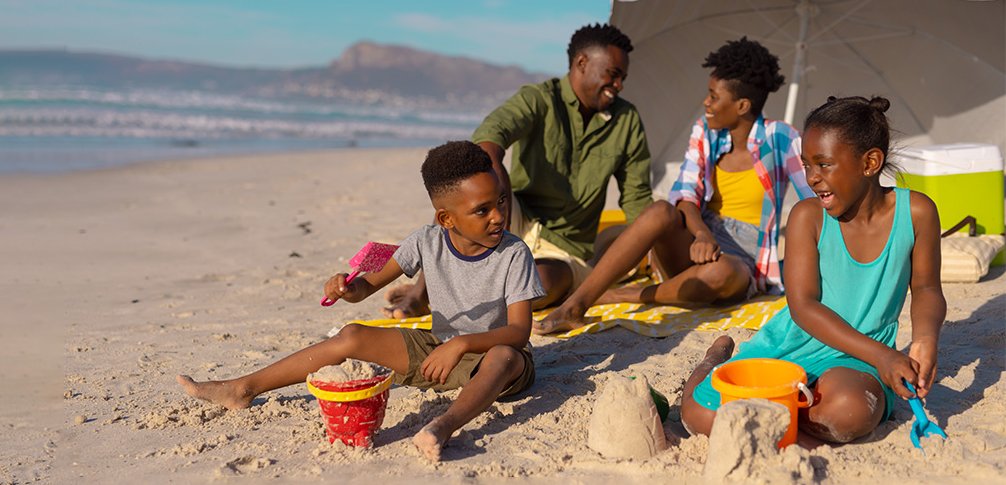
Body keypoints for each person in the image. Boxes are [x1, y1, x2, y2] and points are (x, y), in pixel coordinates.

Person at [177, 140, 545, 463]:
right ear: (446, 218)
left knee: (504, 356)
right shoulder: (425, 241)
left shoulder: (515, 254)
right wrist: (345, 288)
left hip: (499, 363)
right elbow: (366, 285)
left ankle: (442, 427)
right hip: (439, 353)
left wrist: (463, 344)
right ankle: (243, 388)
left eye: (500, 201)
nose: (499, 215)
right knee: (352, 334)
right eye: (483, 210)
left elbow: (517, 331)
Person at [680, 96, 946, 443]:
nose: (812, 178)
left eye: (824, 165)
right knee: (700, 415)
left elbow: (926, 289)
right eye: (806, 165)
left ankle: (787, 411)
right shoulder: (808, 217)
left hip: (862, 354)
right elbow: (803, 307)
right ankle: (715, 356)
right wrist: (886, 357)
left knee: (849, 411)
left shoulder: (916, 213)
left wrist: (925, 340)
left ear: (870, 163)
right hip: (798, 343)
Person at [534, 37, 813, 335]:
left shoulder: (781, 138)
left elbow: (814, 196)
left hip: (740, 261)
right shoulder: (705, 131)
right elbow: (685, 192)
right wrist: (702, 233)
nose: (706, 103)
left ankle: (621, 294)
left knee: (720, 272)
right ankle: (577, 305)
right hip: (694, 242)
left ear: (742, 105)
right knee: (660, 210)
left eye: (713, 96)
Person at [383, 23, 653, 318]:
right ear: (582, 63)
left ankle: (444, 289)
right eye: (613, 75)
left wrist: (653, 246)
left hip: (566, 246)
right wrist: (501, 217)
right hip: (516, 215)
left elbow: (636, 197)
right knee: (463, 202)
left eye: (623, 78)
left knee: (537, 287)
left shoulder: (627, 120)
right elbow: (488, 142)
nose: (619, 85)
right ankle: (421, 294)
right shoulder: (539, 99)